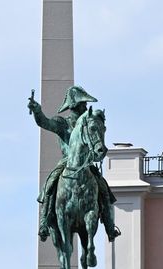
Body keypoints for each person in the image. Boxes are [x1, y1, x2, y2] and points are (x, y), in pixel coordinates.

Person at [28, 86, 120, 241]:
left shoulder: (89, 123)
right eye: (82, 104)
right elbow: (44, 123)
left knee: (104, 189)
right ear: (74, 105)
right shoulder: (63, 123)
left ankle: (110, 226)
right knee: (49, 185)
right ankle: (44, 221)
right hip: (67, 163)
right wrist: (37, 111)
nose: (85, 106)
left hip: (86, 163)